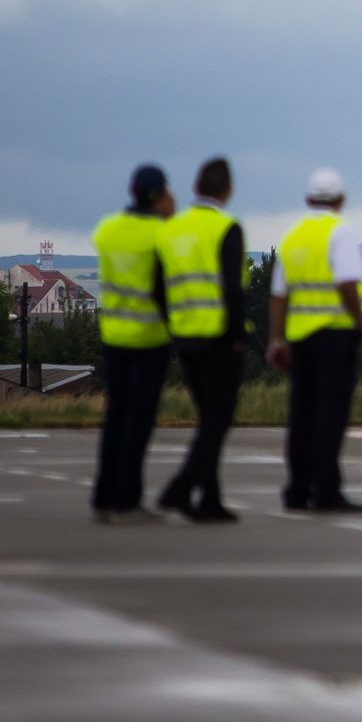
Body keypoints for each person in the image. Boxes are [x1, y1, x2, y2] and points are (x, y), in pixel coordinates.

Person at [268, 168, 362, 513]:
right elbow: (347, 282)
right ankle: (326, 489)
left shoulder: (293, 237)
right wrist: (361, 319)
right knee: (330, 414)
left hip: (300, 338)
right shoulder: (341, 232)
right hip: (335, 336)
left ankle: (297, 488)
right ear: (341, 199)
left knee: (302, 413)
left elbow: (278, 295)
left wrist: (277, 340)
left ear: (308, 199)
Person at [158, 156, 245, 522]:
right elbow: (232, 287)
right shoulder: (226, 228)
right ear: (228, 190)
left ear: (195, 187)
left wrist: (173, 323)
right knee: (217, 419)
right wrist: (237, 333)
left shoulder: (172, 230)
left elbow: (158, 286)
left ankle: (210, 498)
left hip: (184, 336)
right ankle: (180, 489)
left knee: (208, 417)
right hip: (217, 338)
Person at [90, 165, 175, 523]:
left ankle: (103, 495)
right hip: (149, 339)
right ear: (160, 195)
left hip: (113, 336)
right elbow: (162, 289)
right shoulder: (161, 235)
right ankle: (128, 498)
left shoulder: (107, 230)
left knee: (115, 417)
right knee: (138, 421)